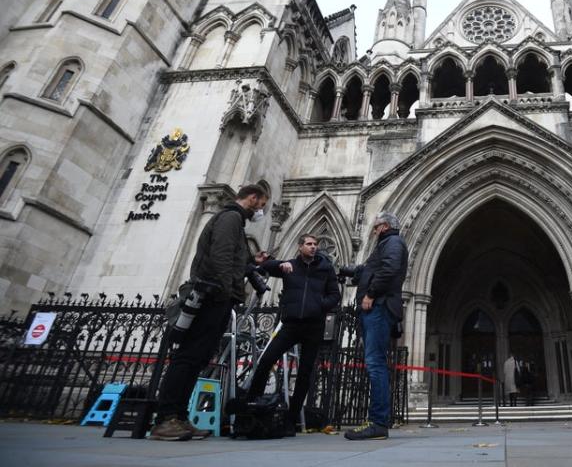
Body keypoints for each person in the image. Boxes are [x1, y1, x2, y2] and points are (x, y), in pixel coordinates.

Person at [151, 184, 270, 441]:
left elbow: (232, 259)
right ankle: (166, 417)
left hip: (218, 295)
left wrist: (252, 263)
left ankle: (179, 417)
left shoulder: (235, 223)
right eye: (262, 205)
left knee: (198, 357)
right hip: (213, 295)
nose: (261, 211)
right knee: (189, 356)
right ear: (252, 198)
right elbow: (220, 257)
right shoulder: (230, 218)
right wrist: (228, 291)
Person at [244, 233, 341, 435]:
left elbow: (335, 295)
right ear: (300, 247)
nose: (313, 247)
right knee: (266, 359)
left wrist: (319, 306)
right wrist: (279, 264)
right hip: (290, 324)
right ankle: (252, 407)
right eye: (309, 244)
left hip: (313, 326)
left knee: (305, 374)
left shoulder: (325, 268)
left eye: (315, 244)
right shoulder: (290, 266)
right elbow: (263, 268)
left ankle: (291, 420)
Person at [344, 211, 409, 441]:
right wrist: (351, 272)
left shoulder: (393, 242)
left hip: (379, 307)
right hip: (378, 308)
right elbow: (373, 269)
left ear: (383, 227)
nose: (372, 231)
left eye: (375, 227)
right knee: (375, 364)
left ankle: (378, 422)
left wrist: (370, 293)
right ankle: (377, 421)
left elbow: (389, 269)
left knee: (376, 364)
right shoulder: (387, 244)